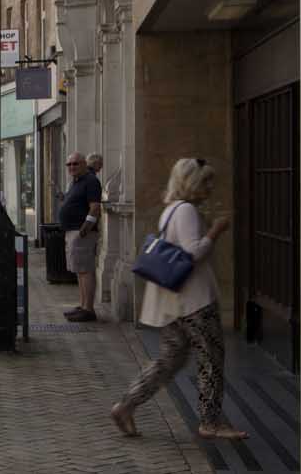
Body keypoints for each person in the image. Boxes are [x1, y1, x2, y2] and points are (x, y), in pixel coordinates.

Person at [110, 158, 247, 442]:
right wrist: (216, 231)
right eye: (206, 181)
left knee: (169, 360)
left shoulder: (171, 210)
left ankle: (126, 405)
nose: (210, 188)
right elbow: (192, 254)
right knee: (210, 358)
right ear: (191, 182)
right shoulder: (186, 211)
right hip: (194, 301)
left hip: (175, 301)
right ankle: (210, 421)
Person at [59, 152, 103, 321]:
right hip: (73, 231)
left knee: (85, 270)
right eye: (69, 164)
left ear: (84, 164)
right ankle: (83, 305)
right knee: (79, 270)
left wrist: (86, 227)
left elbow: (95, 207)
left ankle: (89, 309)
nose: (71, 167)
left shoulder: (91, 181)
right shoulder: (76, 181)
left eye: (75, 164)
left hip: (81, 232)